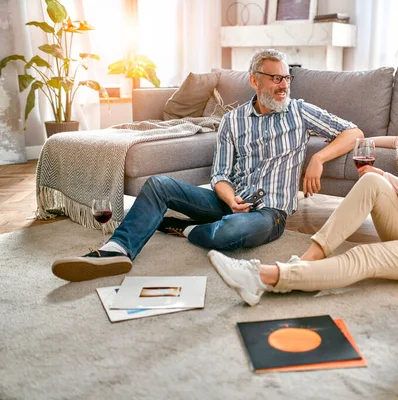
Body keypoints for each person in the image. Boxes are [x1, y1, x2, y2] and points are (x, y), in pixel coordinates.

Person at [51, 49, 364, 282]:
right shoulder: (232, 120)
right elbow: (220, 175)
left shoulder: (299, 111)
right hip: (226, 202)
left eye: (287, 78)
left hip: (270, 213)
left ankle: (187, 229)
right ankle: (117, 250)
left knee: (230, 233)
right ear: (255, 80)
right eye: (276, 78)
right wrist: (230, 199)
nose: (284, 85)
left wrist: (318, 159)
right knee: (158, 185)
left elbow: (353, 131)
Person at [207, 74, 398, 306]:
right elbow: (393, 141)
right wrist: (354, 142)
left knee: (364, 255)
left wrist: (383, 174)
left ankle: (265, 277)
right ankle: (306, 260)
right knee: (371, 182)